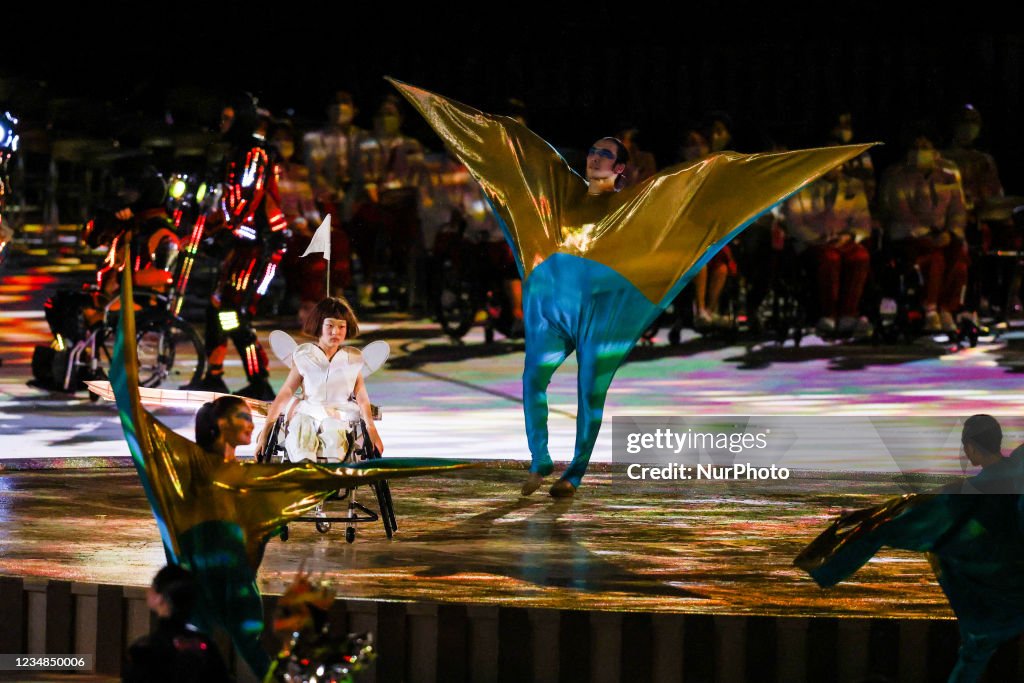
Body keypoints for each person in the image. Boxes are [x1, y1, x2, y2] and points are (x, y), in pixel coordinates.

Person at [389, 78, 872, 497]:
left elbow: (691, 193)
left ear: (620, 168)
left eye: (607, 154)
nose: (596, 157)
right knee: (532, 381)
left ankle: (575, 472)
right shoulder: (559, 195)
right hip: (550, 306)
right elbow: (510, 163)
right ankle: (540, 458)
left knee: (587, 390)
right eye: (594, 150)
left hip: (600, 311)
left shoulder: (631, 207)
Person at [796, 414, 1024, 683]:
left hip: (996, 603)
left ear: (971, 448)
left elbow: (895, 522)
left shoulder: (958, 500)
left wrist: (830, 564)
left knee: (975, 654)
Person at [186, 95, 289, 399]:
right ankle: (213, 375)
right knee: (217, 306)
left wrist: (228, 233)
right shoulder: (235, 152)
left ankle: (260, 380)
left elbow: (250, 195)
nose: (222, 124)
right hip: (243, 241)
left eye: (228, 118)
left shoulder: (254, 152)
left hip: (261, 244)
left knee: (232, 311)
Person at [257, 296, 383, 462]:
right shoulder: (304, 355)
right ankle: (305, 470)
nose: (335, 332)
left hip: (339, 414)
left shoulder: (352, 358)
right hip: (308, 410)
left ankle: (330, 476)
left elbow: (362, 397)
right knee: (302, 429)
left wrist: (372, 429)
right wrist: (265, 431)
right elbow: (285, 393)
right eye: (329, 326)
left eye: (341, 326)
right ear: (319, 325)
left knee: (333, 431)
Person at [880, 131, 968, 333]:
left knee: (960, 259)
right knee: (934, 259)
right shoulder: (897, 177)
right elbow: (902, 212)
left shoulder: (947, 177)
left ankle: (947, 308)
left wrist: (950, 232)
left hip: (942, 234)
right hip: (909, 236)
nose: (921, 151)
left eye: (925, 147)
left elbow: (958, 210)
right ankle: (929, 309)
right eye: (916, 147)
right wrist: (927, 234)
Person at [782, 164, 873, 338]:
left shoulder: (853, 186)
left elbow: (863, 222)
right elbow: (794, 222)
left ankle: (849, 313)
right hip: (813, 243)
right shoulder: (802, 185)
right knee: (830, 259)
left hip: (844, 241)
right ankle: (828, 313)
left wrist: (849, 236)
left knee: (860, 257)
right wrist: (819, 238)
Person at [123, 564, 229, 683]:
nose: (148, 590)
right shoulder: (207, 646)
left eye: (153, 585)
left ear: (160, 598)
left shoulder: (145, 650)